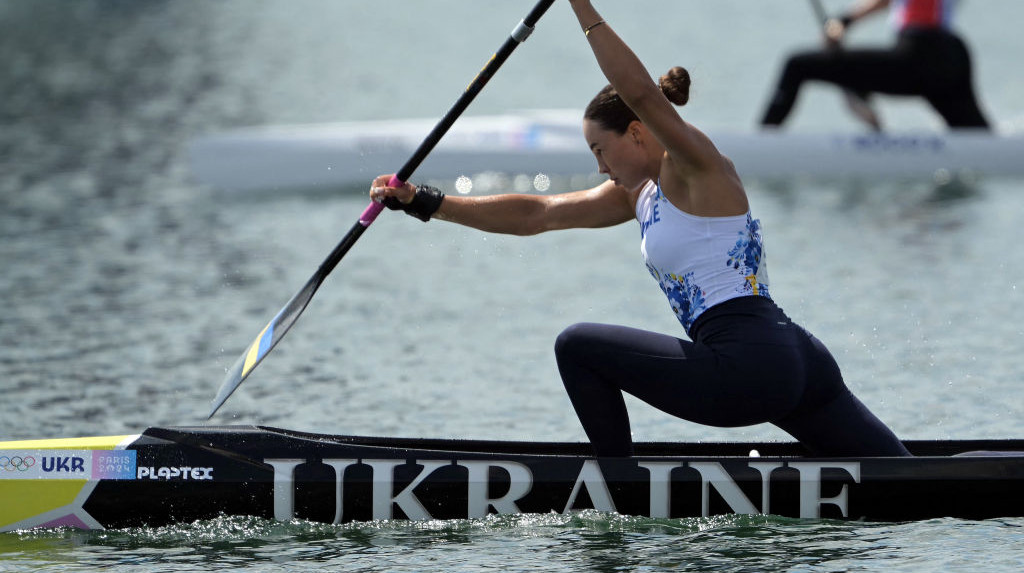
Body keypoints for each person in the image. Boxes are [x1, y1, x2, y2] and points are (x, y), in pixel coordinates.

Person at [370, 0, 911, 458]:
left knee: (577, 345)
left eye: (600, 150)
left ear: (636, 133)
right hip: (793, 359)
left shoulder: (696, 167)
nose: (600, 167)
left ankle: (618, 489)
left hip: (746, 365)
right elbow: (537, 214)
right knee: (906, 480)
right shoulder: (640, 194)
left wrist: (580, 5)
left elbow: (644, 95)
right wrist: (424, 202)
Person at [760, 0, 990, 130]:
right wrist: (845, 22)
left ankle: (762, 141)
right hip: (952, 56)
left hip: (920, 55)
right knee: (980, 140)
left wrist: (845, 21)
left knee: (797, 64)